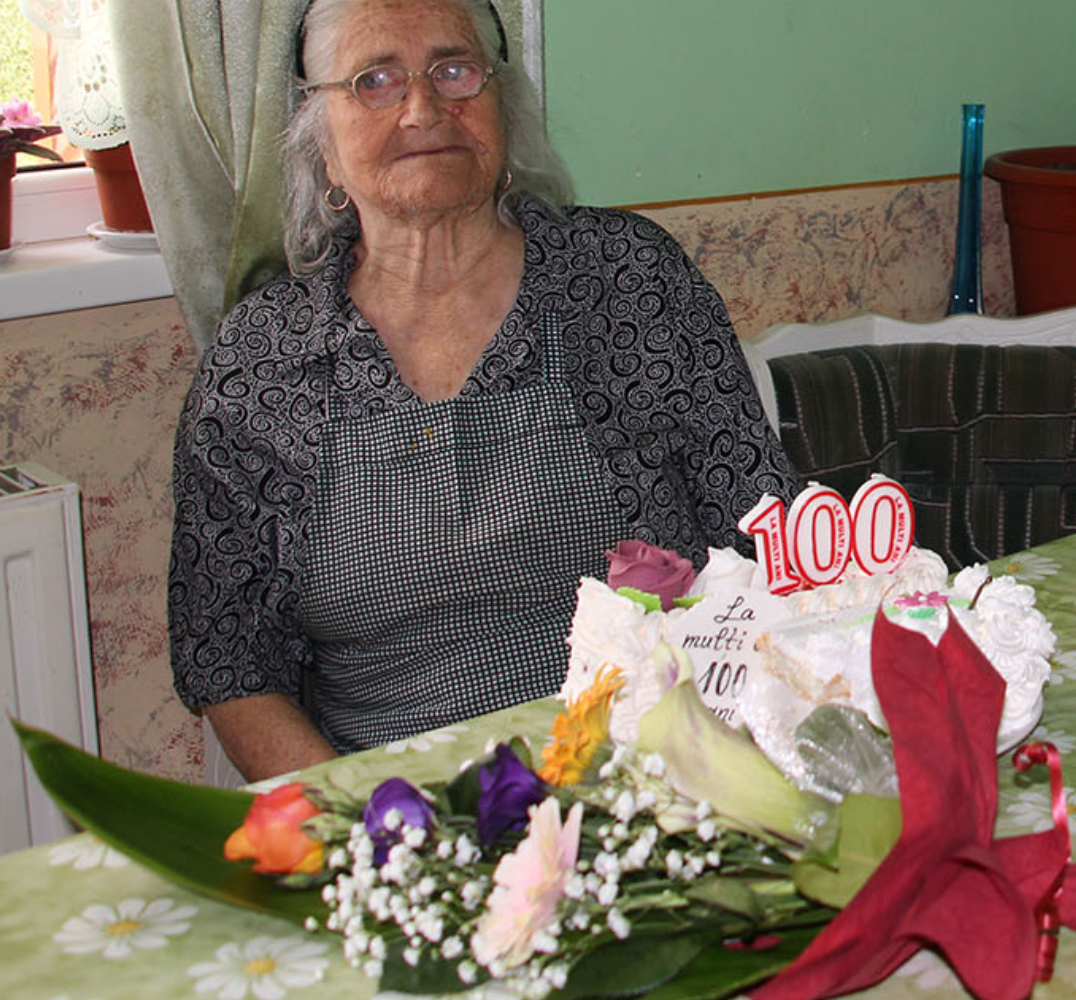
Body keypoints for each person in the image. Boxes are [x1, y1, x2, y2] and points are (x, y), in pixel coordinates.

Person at [168, 0, 799, 781]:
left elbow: (763, 538)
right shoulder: (262, 360)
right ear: (321, 147)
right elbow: (229, 663)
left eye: (454, 70)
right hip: (391, 802)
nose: (423, 107)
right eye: (374, 81)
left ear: (503, 107)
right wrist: (365, 820)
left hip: (650, 772)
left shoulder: (627, 279)